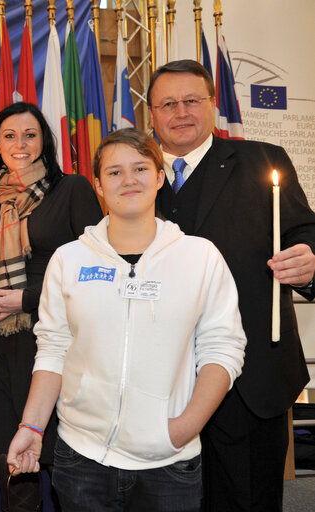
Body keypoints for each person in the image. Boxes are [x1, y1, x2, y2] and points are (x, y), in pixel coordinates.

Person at [7, 128, 247, 512]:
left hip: (169, 463)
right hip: (80, 457)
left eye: (140, 168)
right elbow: (52, 350)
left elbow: (224, 349)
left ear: (159, 177)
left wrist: (183, 429)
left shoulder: (200, 257)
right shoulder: (69, 259)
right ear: (99, 186)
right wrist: (31, 428)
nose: (129, 179)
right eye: (115, 172)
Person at [147, 59, 315, 511]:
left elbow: (304, 233)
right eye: (167, 104)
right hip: (159, 380)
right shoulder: (132, 175)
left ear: (212, 104)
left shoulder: (264, 161)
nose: (180, 112)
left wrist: (310, 261)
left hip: (252, 377)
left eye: (191, 101)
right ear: (151, 114)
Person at [0, 102, 103, 511]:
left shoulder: (73, 189)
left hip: (63, 347)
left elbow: (96, 270)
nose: (20, 144)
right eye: (10, 136)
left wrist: (25, 298)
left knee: (68, 475)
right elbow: (1, 267)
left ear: (44, 139)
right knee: (13, 474)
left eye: (30, 134)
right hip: (6, 348)